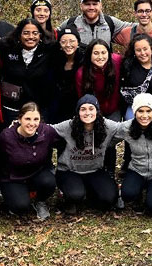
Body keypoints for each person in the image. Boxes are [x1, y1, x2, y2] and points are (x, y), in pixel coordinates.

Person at [52, 95, 120, 214]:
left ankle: (89, 192)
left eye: (91, 109)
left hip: (94, 170)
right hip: (69, 171)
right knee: (75, 195)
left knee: (109, 198)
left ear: (97, 111)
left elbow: (125, 128)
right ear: (78, 112)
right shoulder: (68, 126)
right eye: (83, 109)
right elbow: (47, 130)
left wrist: (150, 120)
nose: (87, 113)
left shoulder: (107, 126)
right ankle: (69, 196)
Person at [0, 102, 58, 220]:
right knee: (20, 207)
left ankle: (40, 201)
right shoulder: (6, 136)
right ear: (19, 119)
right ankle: (12, 197)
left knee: (49, 182)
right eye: (27, 119)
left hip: (36, 173)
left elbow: (61, 142)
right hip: (13, 178)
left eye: (36, 119)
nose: (32, 123)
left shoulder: (47, 131)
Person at [113, 93, 152, 215]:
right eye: (140, 111)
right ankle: (137, 192)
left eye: (148, 111)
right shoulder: (126, 127)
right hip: (137, 170)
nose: (144, 115)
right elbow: (108, 134)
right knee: (127, 194)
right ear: (135, 112)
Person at [0, 18, 56, 127]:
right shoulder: (7, 48)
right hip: (12, 108)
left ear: (40, 35)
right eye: (26, 33)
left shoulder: (49, 50)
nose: (30, 37)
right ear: (19, 34)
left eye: (35, 33)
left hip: (38, 109)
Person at [75, 39, 122, 175]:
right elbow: (82, 99)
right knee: (94, 138)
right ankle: (93, 169)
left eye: (103, 52)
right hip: (93, 111)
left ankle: (110, 171)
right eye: (96, 53)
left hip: (114, 108)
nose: (100, 56)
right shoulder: (81, 73)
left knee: (110, 139)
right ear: (90, 55)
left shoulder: (117, 62)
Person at [120, 33, 152, 119]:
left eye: (145, 49)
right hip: (134, 107)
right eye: (138, 50)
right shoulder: (128, 65)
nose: (142, 53)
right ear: (134, 52)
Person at [58, 0, 134, 46]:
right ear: (81, 6)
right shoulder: (72, 22)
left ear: (100, 6)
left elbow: (134, 27)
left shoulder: (110, 22)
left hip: (104, 66)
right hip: (80, 67)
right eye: (87, 4)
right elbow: (54, 34)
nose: (91, 7)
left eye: (94, 4)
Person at [49, 26, 86, 123]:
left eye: (72, 41)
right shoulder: (54, 60)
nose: (68, 44)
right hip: (57, 107)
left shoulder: (85, 60)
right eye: (64, 41)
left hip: (78, 105)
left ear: (78, 43)